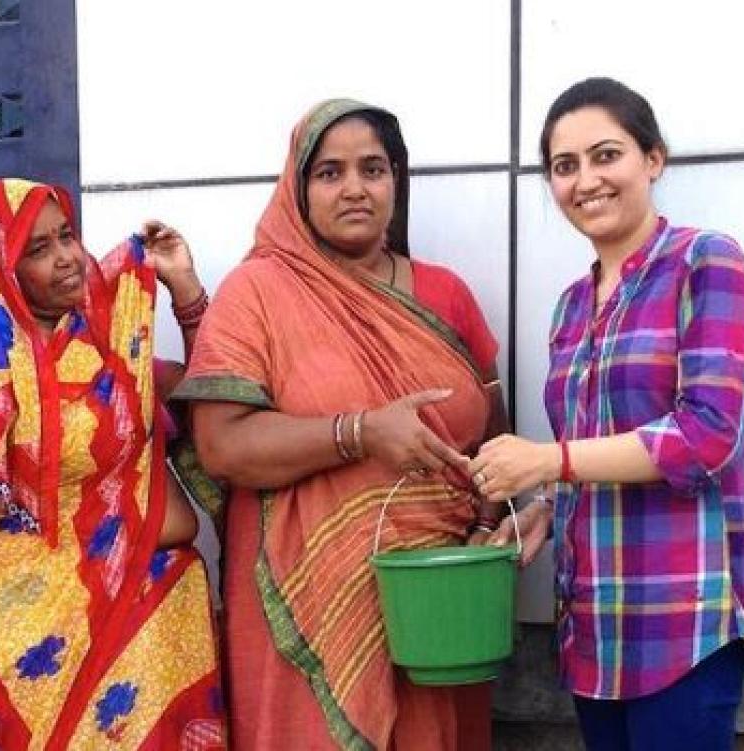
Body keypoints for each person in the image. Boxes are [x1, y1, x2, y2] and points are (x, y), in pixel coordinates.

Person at [172, 99, 507, 750]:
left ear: (395, 180)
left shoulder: (446, 293)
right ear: (297, 189)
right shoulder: (256, 293)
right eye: (330, 172)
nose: (355, 188)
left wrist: (488, 526)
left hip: (441, 600)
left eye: (372, 169)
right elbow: (221, 445)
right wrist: (359, 432)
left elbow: (492, 432)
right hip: (312, 598)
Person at [470, 78, 744, 749]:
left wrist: (548, 460)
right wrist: (548, 505)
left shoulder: (707, 262)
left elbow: (708, 436)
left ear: (653, 159)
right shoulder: (571, 307)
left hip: (681, 620)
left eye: (606, 155)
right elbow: (590, 446)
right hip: (593, 628)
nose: (586, 180)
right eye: (564, 165)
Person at [0, 179, 225, 750]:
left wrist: (185, 289)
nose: (67, 257)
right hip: (46, 635)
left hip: (159, 620)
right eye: (38, 249)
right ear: (0, 267)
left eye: (66, 235)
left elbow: (212, 400)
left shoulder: (106, 344)